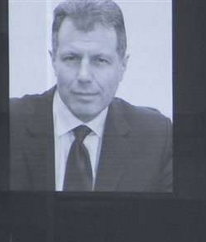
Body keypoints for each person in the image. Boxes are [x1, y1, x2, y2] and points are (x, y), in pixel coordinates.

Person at [9, 0, 172, 192]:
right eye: (71, 58)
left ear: (123, 66)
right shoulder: (7, 123)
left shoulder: (156, 136)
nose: (84, 76)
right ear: (53, 60)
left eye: (100, 60)